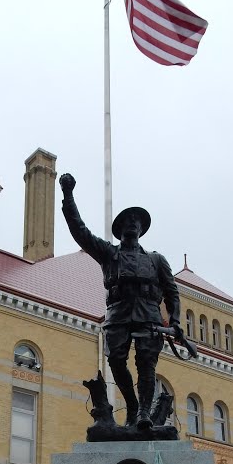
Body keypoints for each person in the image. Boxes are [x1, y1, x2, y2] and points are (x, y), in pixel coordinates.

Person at [60, 172, 181, 429]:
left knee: (147, 364)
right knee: (116, 360)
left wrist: (177, 320)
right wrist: (68, 195)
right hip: (118, 312)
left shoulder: (156, 259)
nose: (132, 223)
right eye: (127, 220)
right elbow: (79, 231)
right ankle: (133, 404)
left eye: (136, 220)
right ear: (121, 228)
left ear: (141, 228)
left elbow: (171, 291)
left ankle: (145, 414)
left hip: (149, 315)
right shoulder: (109, 253)